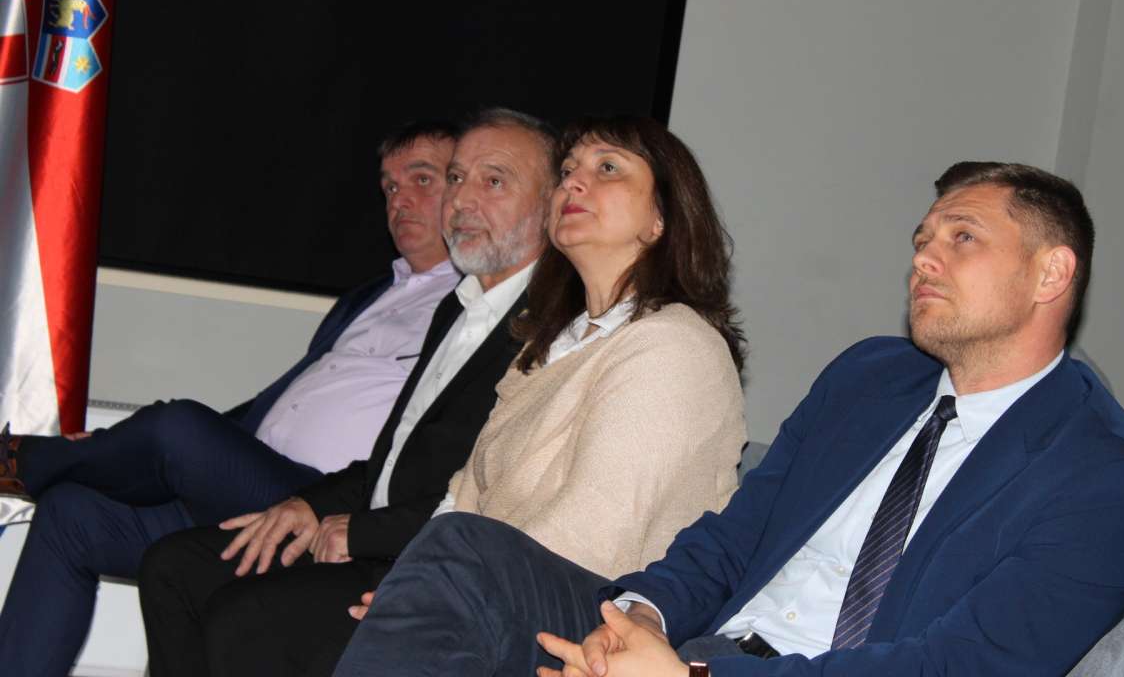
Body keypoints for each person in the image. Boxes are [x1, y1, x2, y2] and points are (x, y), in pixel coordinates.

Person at [331, 161, 1124, 677]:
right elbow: (732, 539)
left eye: (962, 238)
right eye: (922, 237)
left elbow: (958, 666)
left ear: (1051, 274)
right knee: (463, 554)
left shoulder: (1104, 479)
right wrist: (639, 621)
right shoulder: (870, 379)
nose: (923, 256)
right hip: (697, 643)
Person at [139, 115, 749, 677]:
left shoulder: (673, 341)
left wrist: (433, 587)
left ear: (661, 219)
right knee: (211, 587)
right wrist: (421, 581)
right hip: (485, 580)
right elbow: (464, 493)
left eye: (607, 168)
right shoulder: (548, 347)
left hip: (599, 606)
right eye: (568, 170)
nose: (574, 182)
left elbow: (596, 528)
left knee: (259, 624)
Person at [0, 120, 464, 677]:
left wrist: (167, 444)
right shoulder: (371, 297)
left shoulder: (473, 307)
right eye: (389, 186)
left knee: (175, 427)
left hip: (326, 502)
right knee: (71, 512)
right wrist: (129, 449)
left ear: (463, 187)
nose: (399, 200)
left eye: (421, 179)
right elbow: (265, 410)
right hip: (251, 486)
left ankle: (20, 460)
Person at [136, 107, 560, 677]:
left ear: (551, 204)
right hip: (375, 533)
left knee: (246, 617)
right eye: (457, 178)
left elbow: (501, 496)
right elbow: (392, 463)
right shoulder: (454, 311)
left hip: (433, 561)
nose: (461, 199)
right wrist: (309, 505)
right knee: (174, 568)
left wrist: (361, 532)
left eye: (494, 181)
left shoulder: (553, 329)